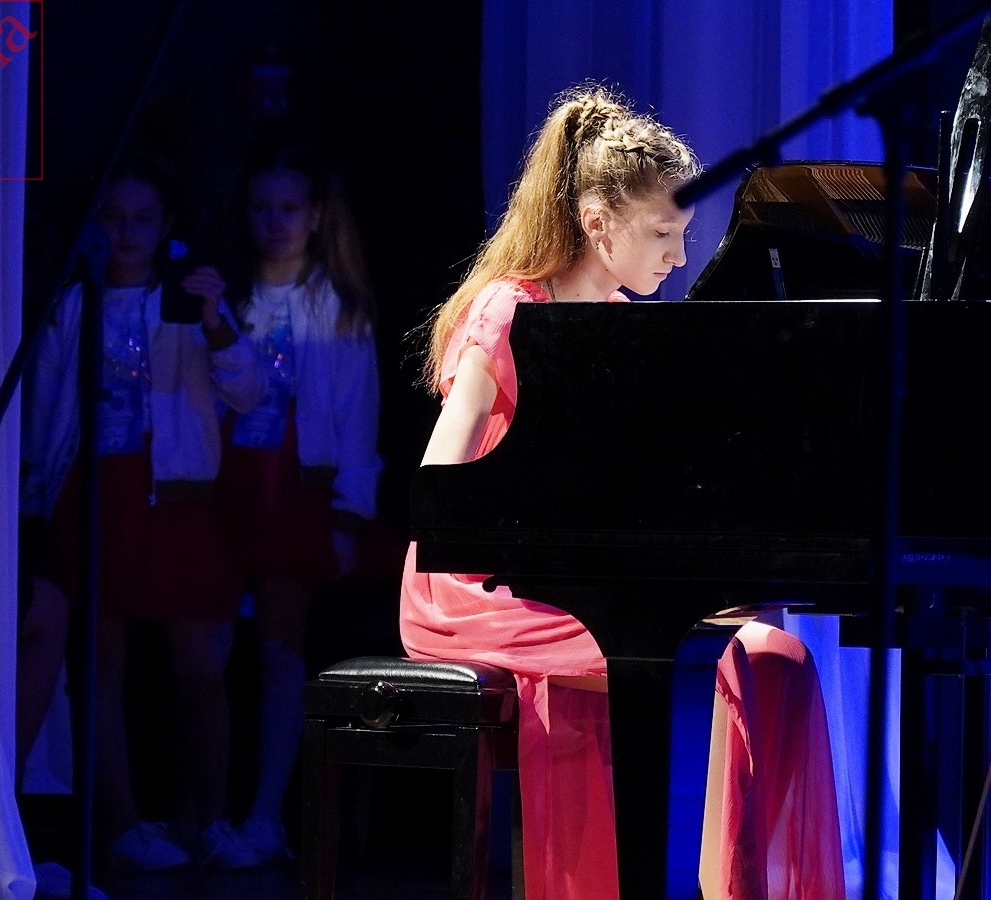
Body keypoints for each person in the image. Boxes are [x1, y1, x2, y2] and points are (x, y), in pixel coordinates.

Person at [399, 81, 845, 900]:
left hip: (589, 577)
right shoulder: (507, 311)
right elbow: (441, 487)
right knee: (695, 662)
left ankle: (745, 887)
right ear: (598, 223)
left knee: (781, 659)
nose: (677, 257)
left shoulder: (619, 319)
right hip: (478, 584)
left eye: (682, 234)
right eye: (662, 233)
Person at [19, 157, 270, 872]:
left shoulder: (188, 301)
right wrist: (35, 499)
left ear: (166, 226)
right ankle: (123, 823)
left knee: (201, 666)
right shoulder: (76, 303)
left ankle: (207, 819)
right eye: (113, 217)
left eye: (142, 218)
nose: (126, 232)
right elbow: (44, 409)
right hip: (95, 491)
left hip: (178, 496)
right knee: (101, 667)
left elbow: (249, 393)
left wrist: (215, 323)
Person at [215, 139, 384, 862]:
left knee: (280, 653)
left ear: (315, 215)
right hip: (225, 486)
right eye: (262, 207)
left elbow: (357, 419)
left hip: (297, 492)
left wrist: (347, 513)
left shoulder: (339, 310)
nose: (275, 221)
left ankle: (265, 816)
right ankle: (205, 814)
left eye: (289, 207)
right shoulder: (227, 298)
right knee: (210, 653)